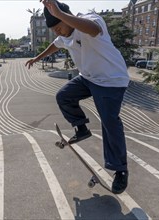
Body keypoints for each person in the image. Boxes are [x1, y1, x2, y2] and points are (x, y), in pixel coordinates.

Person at [25, 0, 129, 194]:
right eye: (54, 29)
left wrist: (61, 14)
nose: (58, 32)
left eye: (59, 27)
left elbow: (93, 29)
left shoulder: (89, 20)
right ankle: (81, 128)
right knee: (63, 96)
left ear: (68, 18)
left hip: (111, 80)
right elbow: (54, 45)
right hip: (88, 78)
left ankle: (120, 170)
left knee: (109, 121)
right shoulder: (63, 35)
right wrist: (37, 58)